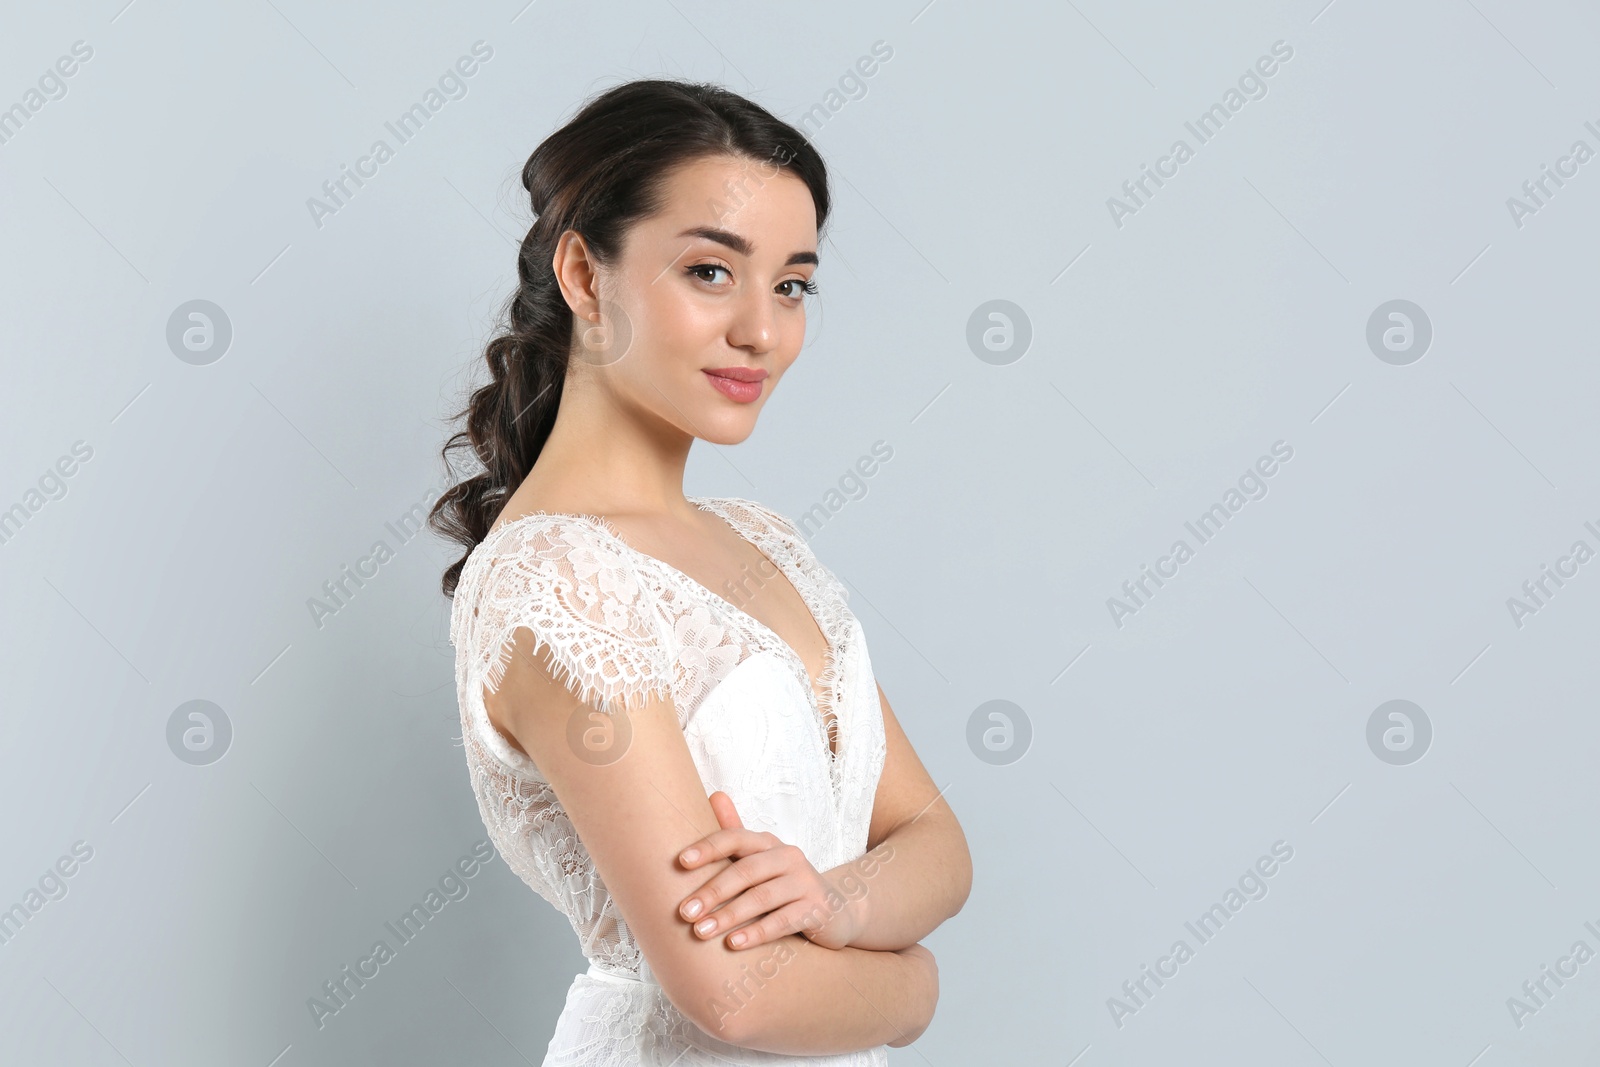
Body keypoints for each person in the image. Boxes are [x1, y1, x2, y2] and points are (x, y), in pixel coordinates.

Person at [428, 78, 971, 1065]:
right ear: (587, 278)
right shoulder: (557, 575)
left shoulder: (763, 539)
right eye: (711, 272)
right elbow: (737, 995)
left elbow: (935, 843)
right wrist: (915, 984)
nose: (762, 330)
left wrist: (833, 898)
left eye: (792, 283)